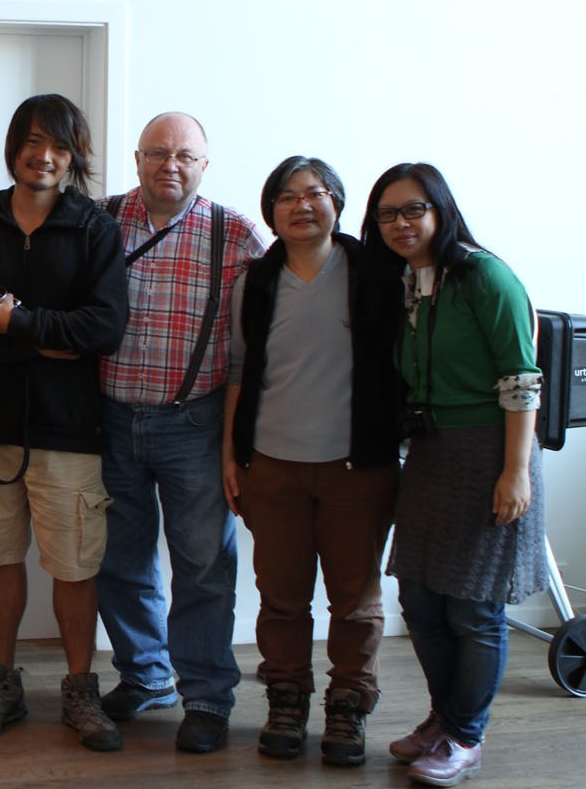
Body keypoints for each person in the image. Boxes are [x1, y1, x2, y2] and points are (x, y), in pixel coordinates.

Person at [0, 93, 129, 750]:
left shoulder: (95, 229)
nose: (44, 156)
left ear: (74, 158)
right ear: (14, 146)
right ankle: (1, 686)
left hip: (68, 426)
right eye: (33, 141)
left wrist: (15, 322)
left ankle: (81, 691)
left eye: (60, 146)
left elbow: (104, 328)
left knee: (75, 565)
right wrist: (44, 339)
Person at [362, 163, 548, 788]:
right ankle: (444, 718)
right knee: (419, 598)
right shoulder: (405, 282)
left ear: (441, 209)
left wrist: (515, 472)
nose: (400, 223)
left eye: (413, 209)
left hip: (490, 451)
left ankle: (466, 735)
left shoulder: (483, 275)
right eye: (387, 214)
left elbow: (521, 379)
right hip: (431, 453)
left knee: (472, 607)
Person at [221, 156, 402, 766]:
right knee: (281, 597)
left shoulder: (377, 272)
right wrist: (231, 455)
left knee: (355, 600)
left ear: (337, 203)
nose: (302, 205)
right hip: (272, 467)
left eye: (315, 193)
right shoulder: (255, 283)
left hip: (359, 468)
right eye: (287, 196)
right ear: (271, 212)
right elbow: (239, 371)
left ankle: (349, 704)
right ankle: (286, 698)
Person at [95, 111, 264, 753]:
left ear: (204, 165)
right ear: (138, 158)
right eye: (158, 153)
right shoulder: (101, 219)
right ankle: (146, 675)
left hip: (195, 422)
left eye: (185, 156)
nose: (171, 165)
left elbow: (270, 327)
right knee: (120, 559)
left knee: (204, 567)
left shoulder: (237, 234)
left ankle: (207, 698)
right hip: (109, 419)